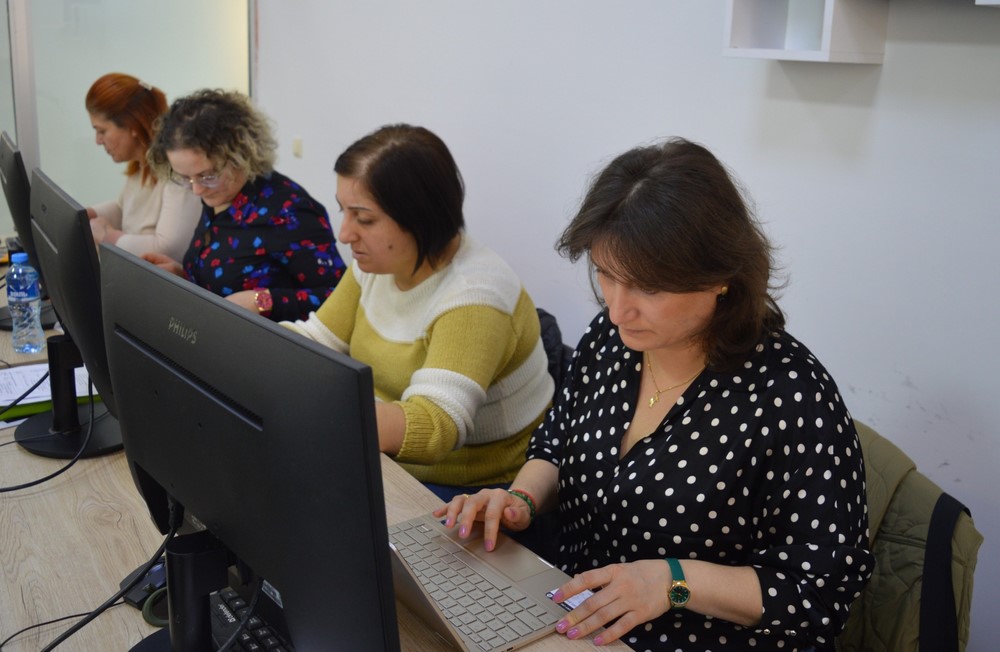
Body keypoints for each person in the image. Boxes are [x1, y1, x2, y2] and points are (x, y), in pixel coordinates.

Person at [435, 138, 874, 651]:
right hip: (575, 620)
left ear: (720, 278)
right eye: (606, 274)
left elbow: (819, 593)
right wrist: (520, 500)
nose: (617, 309)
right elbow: (556, 443)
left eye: (648, 288)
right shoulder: (613, 340)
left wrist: (673, 582)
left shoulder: (791, 397)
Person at [284, 124, 553, 499]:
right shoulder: (376, 264)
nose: (345, 234)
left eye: (364, 219)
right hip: (384, 457)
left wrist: (326, 416)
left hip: (471, 488)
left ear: (421, 218)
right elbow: (317, 340)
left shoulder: (475, 296)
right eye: (344, 211)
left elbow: (436, 422)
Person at [145, 89, 345, 321]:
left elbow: (340, 300)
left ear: (241, 155)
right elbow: (226, 276)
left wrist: (261, 301)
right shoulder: (218, 196)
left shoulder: (289, 211)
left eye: (208, 175)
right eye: (185, 178)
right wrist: (184, 275)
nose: (197, 190)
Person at [85, 73, 202, 261]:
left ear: (132, 126)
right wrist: (84, 215)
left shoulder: (178, 172)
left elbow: (169, 249)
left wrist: (109, 238)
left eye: (102, 131)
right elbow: (124, 209)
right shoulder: (141, 165)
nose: (98, 141)